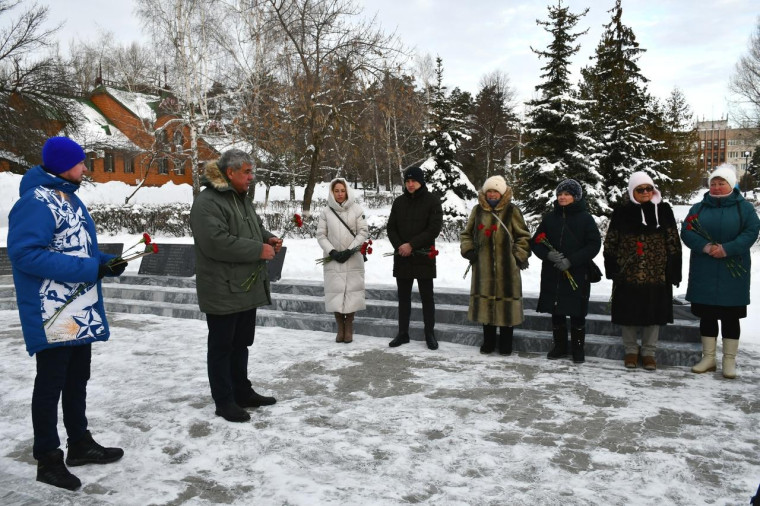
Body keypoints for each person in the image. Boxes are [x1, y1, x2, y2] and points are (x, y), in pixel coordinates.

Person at [7, 137, 125, 491]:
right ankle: (47, 459)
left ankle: (80, 444)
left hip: (79, 310)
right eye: (80, 163)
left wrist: (105, 262)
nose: (85, 168)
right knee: (50, 385)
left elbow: (77, 248)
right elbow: (26, 254)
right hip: (52, 312)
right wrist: (90, 269)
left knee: (77, 380)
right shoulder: (35, 202)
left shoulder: (69, 197)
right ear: (62, 165)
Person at [189, 149, 281, 422]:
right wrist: (258, 250)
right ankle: (224, 400)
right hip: (222, 288)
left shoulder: (240, 199)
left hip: (243, 287)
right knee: (221, 346)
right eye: (247, 172)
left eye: (252, 172)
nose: (252, 177)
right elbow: (215, 241)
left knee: (241, 343)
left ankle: (242, 391)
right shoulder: (207, 202)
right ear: (230, 173)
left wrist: (268, 238)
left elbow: (251, 228)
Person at [682, 165, 760, 379]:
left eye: (721, 183)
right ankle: (708, 358)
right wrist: (706, 247)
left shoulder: (744, 208)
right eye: (713, 184)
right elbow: (687, 231)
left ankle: (729, 360)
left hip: (732, 269)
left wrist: (727, 249)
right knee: (707, 315)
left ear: (731, 184)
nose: (716, 187)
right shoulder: (698, 208)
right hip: (705, 268)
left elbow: (752, 231)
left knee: (730, 316)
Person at [603, 172, 682, 371]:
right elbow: (611, 240)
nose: (646, 192)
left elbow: (673, 240)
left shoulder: (663, 210)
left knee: (653, 313)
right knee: (628, 312)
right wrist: (612, 266)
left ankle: (649, 352)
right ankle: (631, 350)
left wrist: (674, 268)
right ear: (632, 191)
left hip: (657, 273)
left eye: (649, 188)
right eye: (640, 189)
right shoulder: (622, 211)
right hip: (628, 272)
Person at [532, 179, 601, 363]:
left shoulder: (586, 218)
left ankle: (578, 348)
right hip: (553, 272)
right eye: (560, 194)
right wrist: (548, 255)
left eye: (567, 194)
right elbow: (536, 242)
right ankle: (560, 346)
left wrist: (572, 261)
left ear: (576, 197)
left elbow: (594, 245)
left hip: (577, 272)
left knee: (577, 312)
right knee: (557, 311)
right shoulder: (549, 218)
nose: (562, 197)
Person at [460, 176, 531, 355]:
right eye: (489, 191)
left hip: (507, 269)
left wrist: (517, 256)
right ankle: (488, 342)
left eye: (495, 191)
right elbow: (466, 234)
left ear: (502, 193)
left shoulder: (512, 210)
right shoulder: (477, 211)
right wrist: (468, 250)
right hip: (483, 268)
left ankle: (506, 343)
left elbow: (523, 236)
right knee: (486, 305)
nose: (492, 194)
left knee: (506, 308)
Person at [386, 165, 443, 350]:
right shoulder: (399, 202)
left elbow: (433, 229)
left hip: (423, 256)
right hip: (403, 257)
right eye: (407, 181)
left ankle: (430, 334)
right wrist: (400, 247)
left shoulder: (432, 202)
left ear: (421, 182)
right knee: (403, 298)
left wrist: (412, 245)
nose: (410, 184)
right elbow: (391, 227)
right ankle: (403, 333)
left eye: (414, 181)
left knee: (427, 298)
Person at [316, 178, 369, 343]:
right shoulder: (326, 212)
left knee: (352, 292)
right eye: (336, 191)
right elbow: (321, 235)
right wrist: (332, 252)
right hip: (333, 259)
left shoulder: (357, 209)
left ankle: (349, 326)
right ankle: (340, 326)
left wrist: (350, 250)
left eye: (342, 190)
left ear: (347, 191)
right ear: (332, 192)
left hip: (352, 257)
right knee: (336, 293)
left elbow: (363, 232)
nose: (339, 194)